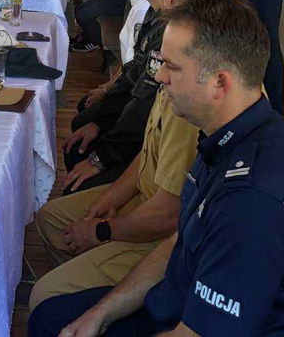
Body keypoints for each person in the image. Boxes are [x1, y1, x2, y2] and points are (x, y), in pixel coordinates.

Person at [30, 0, 284, 337]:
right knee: (52, 316)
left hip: (196, 321)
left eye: (172, 67)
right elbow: (182, 241)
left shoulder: (252, 200)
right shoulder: (237, 133)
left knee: (48, 319)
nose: (160, 76)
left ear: (220, 83)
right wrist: (101, 314)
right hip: (178, 297)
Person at [29, 74, 199, 310]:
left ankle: (99, 305)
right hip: (144, 197)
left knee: (46, 295)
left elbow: (167, 216)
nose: (158, 73)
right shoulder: (172, 82)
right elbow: (147, 153)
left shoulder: (190, 105)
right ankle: (87, 295)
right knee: (51, 219)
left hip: (163, 234)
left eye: (171, 63)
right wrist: (110, 199)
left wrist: (101, 231)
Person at [62, 0, 198, 195]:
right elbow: (136, 70)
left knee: (80, 149)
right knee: (85, 122)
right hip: (139, 120)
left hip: (147, 140)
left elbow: (144, 100)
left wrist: (101, 156)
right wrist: (103, 108)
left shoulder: (171, 28)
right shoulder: (155, 13)